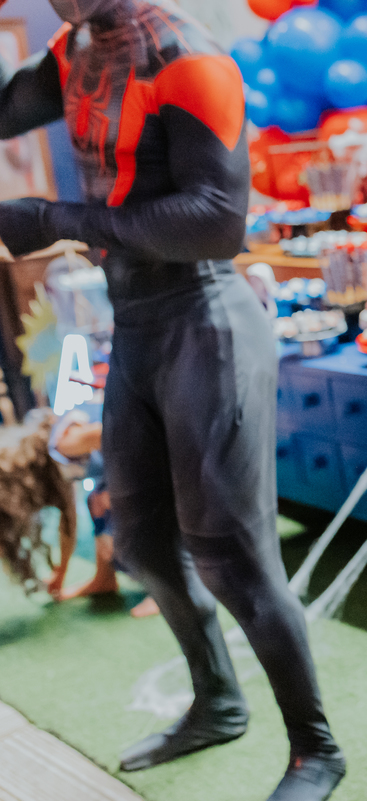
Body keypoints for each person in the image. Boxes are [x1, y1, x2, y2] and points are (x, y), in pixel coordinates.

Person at [0, 3, 344, 799]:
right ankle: (218, 699)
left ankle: (315, 748)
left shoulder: (186, 55)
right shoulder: (78, 43)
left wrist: (52, 218)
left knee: (234, 560)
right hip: (139, 327)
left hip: (209, 321)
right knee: (146, 543)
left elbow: (217, 223)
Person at [49, 412, 160, 616]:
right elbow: (68, 519)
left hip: (159, 459)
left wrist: (117, 490)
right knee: (96, 500)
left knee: (127, 505)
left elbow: (134, 439)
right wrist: (60, 573)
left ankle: (164, 589)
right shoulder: (59, 461)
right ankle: (104, 579)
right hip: (126, 467)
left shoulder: (68, 444)